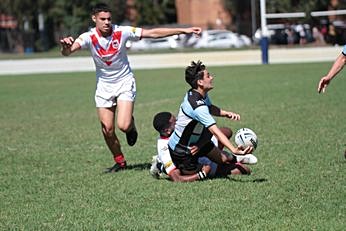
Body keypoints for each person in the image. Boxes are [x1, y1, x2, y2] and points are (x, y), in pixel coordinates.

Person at [59, 3, 202, 173]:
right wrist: (66, 47)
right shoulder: (88, 37)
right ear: (94, 19)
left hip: (124, 82)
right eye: (102, 19)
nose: (106, 22)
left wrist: (182, 30)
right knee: (107, 129)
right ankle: (120, 161)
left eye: (109, 19)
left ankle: (131, 126)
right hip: (104, 86)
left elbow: (152, 33)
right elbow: (68, 52)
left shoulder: (122, 32)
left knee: (123, 126)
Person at [165, 60, 253, 181]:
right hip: (183, 152)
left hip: (198, 142)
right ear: (200, 82)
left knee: (223, 159)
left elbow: (210, 107)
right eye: (208, 76)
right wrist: (233, 149)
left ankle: (235, 158)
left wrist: (225, 113)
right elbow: (215, 131)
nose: (211, 77)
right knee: (209, 170)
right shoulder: (198, 107)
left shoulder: (198, 94)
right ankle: (160, 165)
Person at [150, 112, 257, 181]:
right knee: (244, 170)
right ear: (167, 130)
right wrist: (201, 175)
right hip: (198, 165)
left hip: (202, 151)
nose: (178, 122)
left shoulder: (179, 132)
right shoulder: (164, 147)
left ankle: (230, 157)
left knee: (226, 132)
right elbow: (176, 177)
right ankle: (161, 166)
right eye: (175, 121)